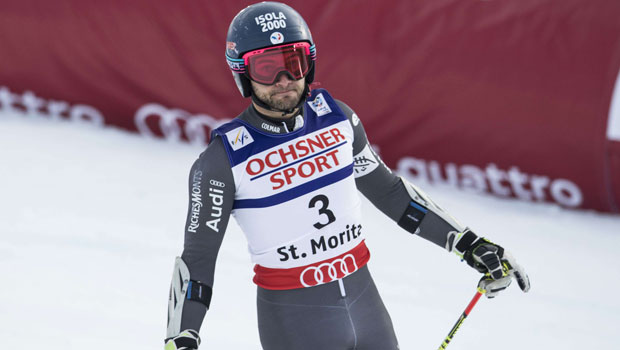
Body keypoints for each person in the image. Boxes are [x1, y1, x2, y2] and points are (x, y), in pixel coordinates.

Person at [164, 2, 530, 349]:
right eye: (266, 68)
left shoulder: (338, 119)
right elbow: (198, 259)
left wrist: (468, 244)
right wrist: (182, 336)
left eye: (294, 61)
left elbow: (391, 194)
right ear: (242, 73)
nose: (284, 78)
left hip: (364, 303)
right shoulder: (221, 161)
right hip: (295, 319)